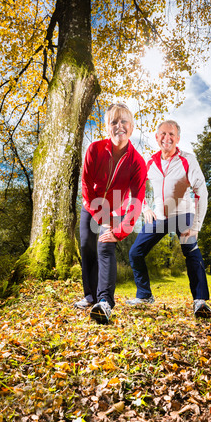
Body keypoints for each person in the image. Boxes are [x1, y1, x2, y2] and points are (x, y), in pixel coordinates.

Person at [127, 119, 211, 318]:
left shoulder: (187, 159)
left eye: (171, 134)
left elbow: (202, 192)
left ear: (178, 139)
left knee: (190, 250)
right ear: (157, 138)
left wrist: (196, 225)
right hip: (159, 217)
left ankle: (200, 301)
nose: (167, 138)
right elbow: (136, 188)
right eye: (163, 134)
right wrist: (145, 208)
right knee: (135, 252)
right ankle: (144, 295)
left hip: (183, 213)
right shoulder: (150, 162)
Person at [74, 103, 147, 324]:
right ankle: (91, 296)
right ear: (107, 127)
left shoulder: (137, 162)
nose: (119, 126)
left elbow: (137, 201)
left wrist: (120, 231)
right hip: (91, 205)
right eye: (114, 122)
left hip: (116, 207)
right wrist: (98, 216)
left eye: (124, 121)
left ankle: (105, 302)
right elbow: (85, 184)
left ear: (132, 128)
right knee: (87, 246)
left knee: (105, 246)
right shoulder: (94, 150)